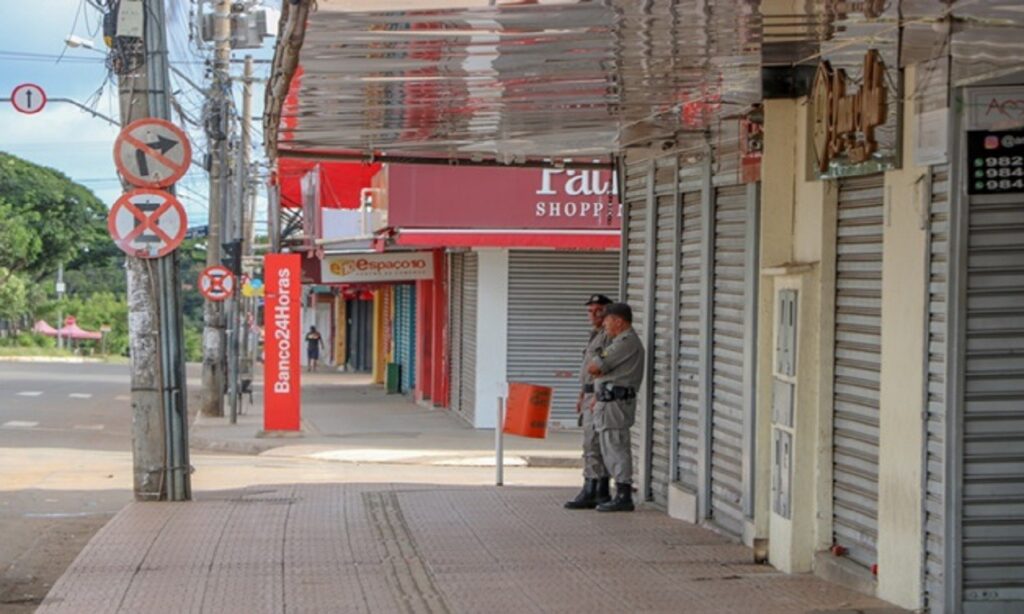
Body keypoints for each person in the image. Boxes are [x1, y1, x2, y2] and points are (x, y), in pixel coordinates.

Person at [586, 302, 645, 512]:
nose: (604, 324)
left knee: (616, 446)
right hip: (608, 402)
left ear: (619, 321)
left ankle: (623, 494)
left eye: (608, 320)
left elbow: (594, 366)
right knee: (609, 447)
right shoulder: (618, 341)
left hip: (616, 404)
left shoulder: (625, 342)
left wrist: (599, 370)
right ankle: (617, 491)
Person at [565, 294, 614, 510]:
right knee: (590, 442)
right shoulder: (594, 335)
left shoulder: (608, 337)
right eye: (590, 311)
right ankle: (594, 486)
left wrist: (593, 396)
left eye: (599, 311)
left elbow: (604, 371)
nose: (593, 315)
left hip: (597, 395)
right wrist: (580, 395)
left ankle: (595, 489)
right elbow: (587, 371)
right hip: (588, 394)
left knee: (593, 443)